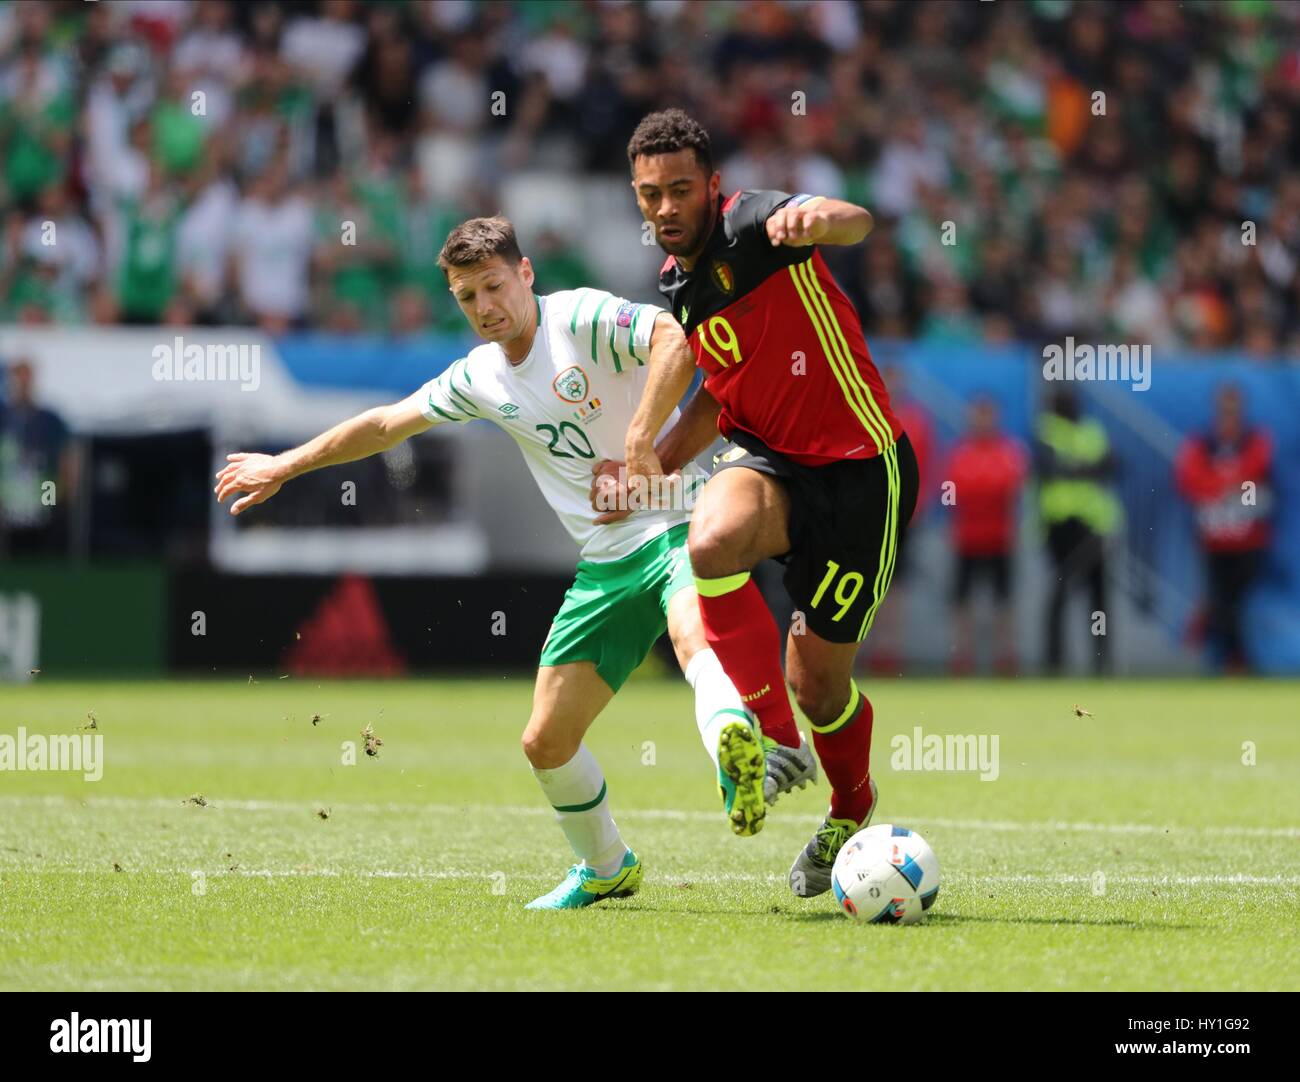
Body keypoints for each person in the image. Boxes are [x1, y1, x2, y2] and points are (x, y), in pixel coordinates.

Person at [215, 216, 809, 910]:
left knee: (691, 637)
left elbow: (674, 339)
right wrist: (288, 464)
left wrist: (644, 437)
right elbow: (385, 424)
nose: (484, 308)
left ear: (525, 275)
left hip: (679, 520)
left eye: (494, 286)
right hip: (603, 563)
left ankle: (734, 758)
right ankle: (606, 866)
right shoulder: (481, 377)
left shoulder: (581, 317)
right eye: (467, 298)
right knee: (545, 742)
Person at [596, 109, 919, 899]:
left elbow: (852, 220)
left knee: (820, 688)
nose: (666, 209)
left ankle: (852, 803)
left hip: (861, 474)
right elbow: (717, 391)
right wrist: (655, 464)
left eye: (679, 190)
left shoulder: (752, 225)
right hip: (773, 461)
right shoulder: (678, 286)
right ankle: (773, 738)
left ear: (711, 186)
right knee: (709, 542)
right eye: (650, 196)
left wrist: (825, 215)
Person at [1175, 383, 1273, 671]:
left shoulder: (1255, 439)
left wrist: (1221, 485)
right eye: (1224, 410)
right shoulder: (1202, 444)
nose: (1229, 417)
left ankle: (1241, 661)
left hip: (1249, 539)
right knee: (1222, 603)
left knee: (1241, 605)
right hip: (1215, 540)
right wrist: (1225, 485)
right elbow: (1190, 481)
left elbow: (1252, 477)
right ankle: (1230, 661)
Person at [1036, 388, 1119, 674]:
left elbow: (1113, 464)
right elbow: (1047, 468)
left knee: (1098, 597)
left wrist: (1073, 468)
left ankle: (1101, 660)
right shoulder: (1047, 430)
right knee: (1060, 592)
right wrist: (1086, 468)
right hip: (1061, 526)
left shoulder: (1091, 430)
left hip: (1094, 524)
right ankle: (1054, 661)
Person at [946, 396, 1027, 674]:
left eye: (987, 415)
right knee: (962, 601)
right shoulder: (961, 452)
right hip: (967, 538)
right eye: (978, 415)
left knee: (1003, 601)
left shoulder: (1009, 451)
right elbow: (953, 492)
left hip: (999, 538)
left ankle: (1005, 658)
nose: (982, 421)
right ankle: (962, 658)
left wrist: (982, 490)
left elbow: (1012, 486)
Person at [0, 360, 75, 557]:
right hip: (10, 497)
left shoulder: (49, 419)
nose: (22, 385)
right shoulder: (5, 417)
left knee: (44, 541)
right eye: (17, 379)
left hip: (43, 492)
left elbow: (64, 459)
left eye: (26, 379)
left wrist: (59, 497)